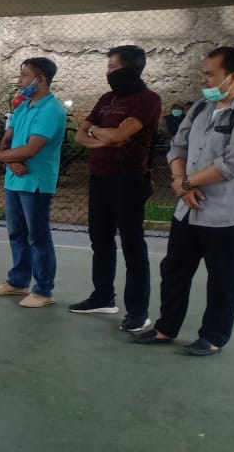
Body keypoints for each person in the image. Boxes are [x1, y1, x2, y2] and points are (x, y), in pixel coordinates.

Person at [131, 47, 234, 356]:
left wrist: (187, 182)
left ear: (232, 77)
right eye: (203, 74)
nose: (204, 80)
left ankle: (213, 336)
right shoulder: (200, 107)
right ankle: (166, 328)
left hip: (226, 214)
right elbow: (178, 146)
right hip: (187, 209)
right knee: (174, 269)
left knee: (222, 278)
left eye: (210, 74)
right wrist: (181, 184)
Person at [70, 45, 162, 330]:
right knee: (100, 240)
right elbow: (79, 136)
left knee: (133, 245)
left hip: (128, 179)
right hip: (99, 177)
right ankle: (103, 297)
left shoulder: (148, 100)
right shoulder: (106, 98)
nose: (108, 72)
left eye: (112, 67)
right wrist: (101, 136)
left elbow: (120, 135)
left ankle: (138, 311)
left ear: (130, 68)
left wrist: (99, 133)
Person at [0, 57, 67, 308]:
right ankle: (18, 281)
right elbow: (8, 139)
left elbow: (32, 148)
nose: (20, 80)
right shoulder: (23, 106)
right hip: (14, 180)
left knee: (38, 236)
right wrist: (9, 160)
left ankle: (43, 290)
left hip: (36, 183)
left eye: (24, 75)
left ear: (40, 79)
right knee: (17, 233)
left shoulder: (51, 110)